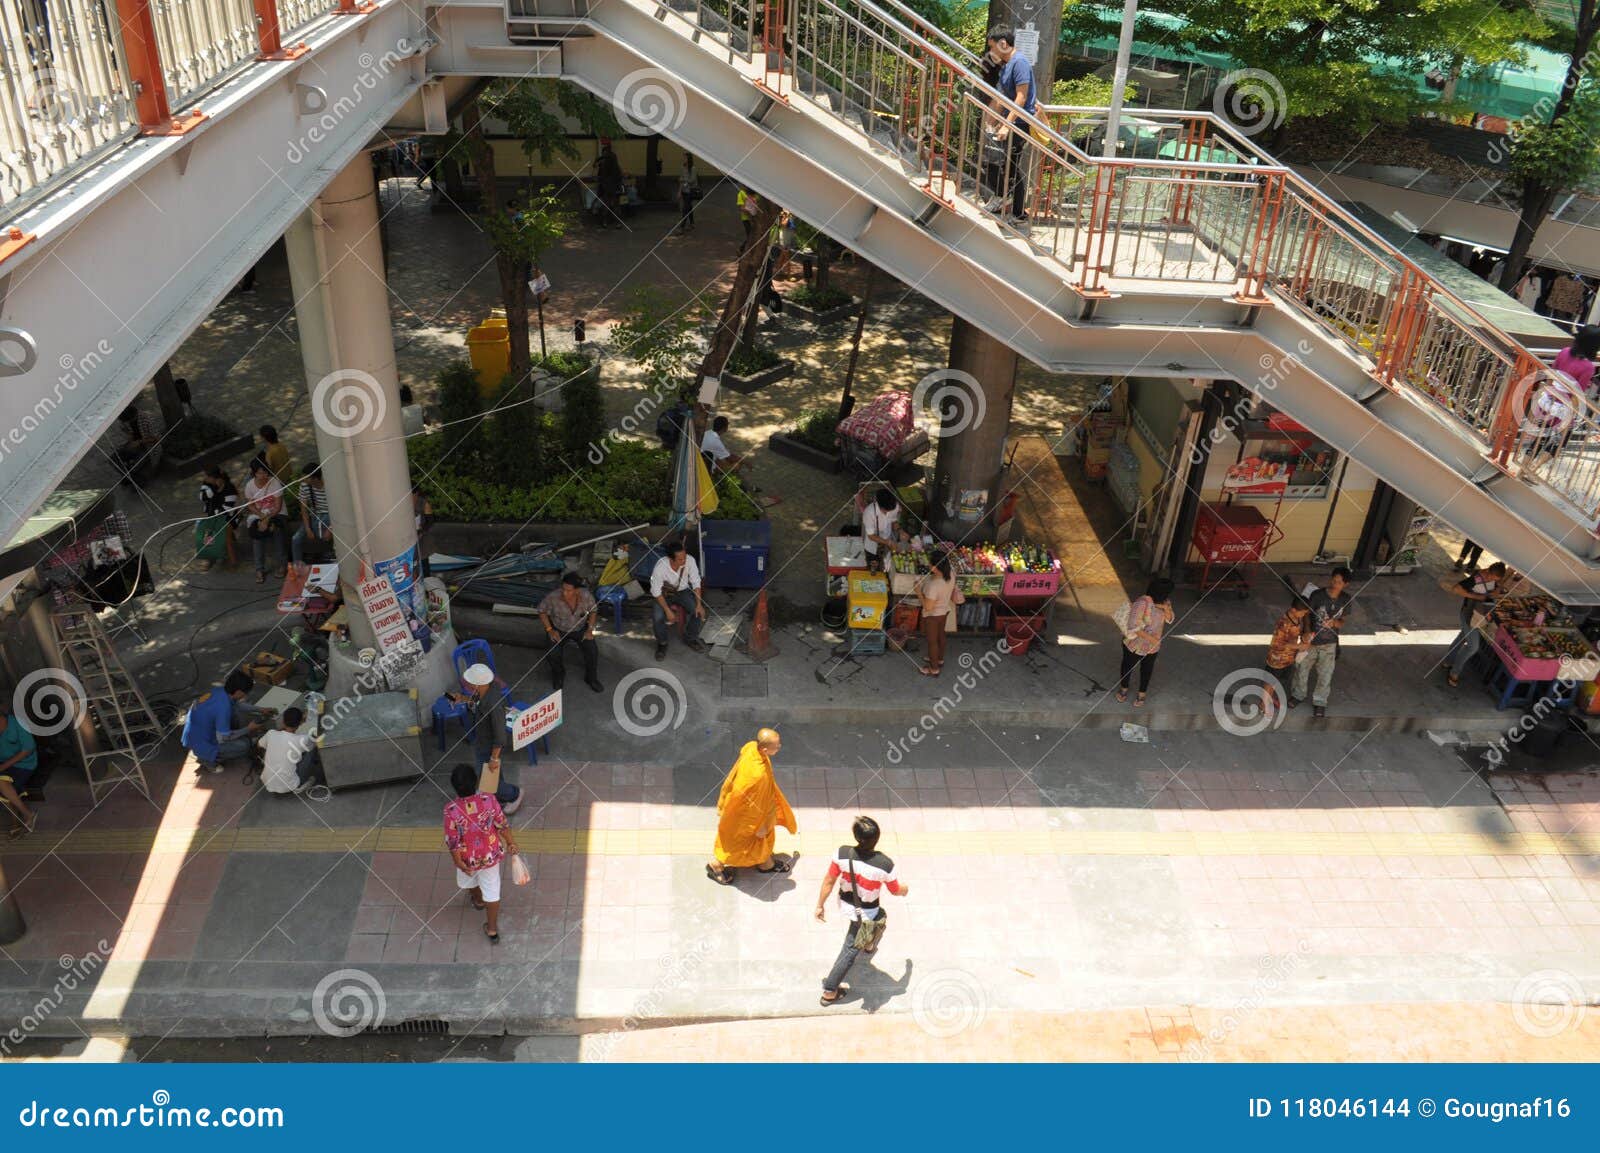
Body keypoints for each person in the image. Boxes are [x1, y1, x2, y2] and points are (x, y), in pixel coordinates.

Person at [815, 815, 908, 1006]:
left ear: (857, 838)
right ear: (877, 838)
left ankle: (867, 944)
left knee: (874, 923)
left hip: (846, 903)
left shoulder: (842, 853)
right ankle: (830, 991)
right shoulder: (885, 865)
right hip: (867, 912)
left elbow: (829, 881)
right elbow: (895, 890)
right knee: (850, 949)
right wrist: (905, 889)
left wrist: (820, 905)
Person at [706, 728, 795, 884]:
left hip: (747, 812)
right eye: (776, 745)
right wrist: (763, 823)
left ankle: (765, 863)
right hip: (749, 818)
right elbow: (754, 802)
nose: (779, 746)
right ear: (765, 749)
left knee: (754, 841)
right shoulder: (757, 775)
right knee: (739, 844)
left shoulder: (752, 748)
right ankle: (716, 866)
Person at [443, 763, 519, 944]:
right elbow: (502, 824)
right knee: (492, 890)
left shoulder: (450, 810)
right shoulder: (488, 800)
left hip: (466, 857)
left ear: (454, 786)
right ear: (476, 782)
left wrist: (457, 861)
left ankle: (477, 900)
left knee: (469, 880)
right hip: (490, 855)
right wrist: (511, 842)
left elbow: (452, 841)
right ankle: (492, 929)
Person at [445, 664, 523, 815]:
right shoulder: (485, 689)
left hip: (489, 748)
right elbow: (475, 702)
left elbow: (500, 736)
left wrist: (494, 758)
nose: (467, 684)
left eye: (470, 683)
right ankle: (500, 797)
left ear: (477, 684)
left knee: (487, 783)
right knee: (492, 778)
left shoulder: (493, 705)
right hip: (482, 742)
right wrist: (461, 698)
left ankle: (514, 794)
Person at [985, 25, 1036, 225]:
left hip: (1020, 123)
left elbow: (1021, 97)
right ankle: (1009, 205)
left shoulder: (1020, 62)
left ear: (1003, 44)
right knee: (999, 161)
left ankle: (1016, 211)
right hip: (1010, 120)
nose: (991, 53)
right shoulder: (1006, 65)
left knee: (1010, 164)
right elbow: (1000, 97)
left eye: (992, 47)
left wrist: (1007, 124)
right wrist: (990, 119)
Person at [181, 670, 272, 775]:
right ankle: (208, 761)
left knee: (235, 714)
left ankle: (215, 747)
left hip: (197, 732)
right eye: (246, 693)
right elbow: (224, 738)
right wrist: (249, 728)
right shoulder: (224, 708)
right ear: (239, 692)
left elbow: (237, 705)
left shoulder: (221, 691)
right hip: (202, 743)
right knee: (244, 746)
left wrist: (260, 709)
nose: (246, 695)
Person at [1291, 567, 1353, 718]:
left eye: (1339, 582)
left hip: (1329, 643)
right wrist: (1305, 632)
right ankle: (1297, 695)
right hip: (1311, 641)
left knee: (1325, 675)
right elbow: (1306, 615)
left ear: (1346, 584)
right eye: (1333, 580)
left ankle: (1320, 702)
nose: (1334, 584)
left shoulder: (1346, 599)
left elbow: (1343, 621)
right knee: (1302, 669)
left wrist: (1334, 623)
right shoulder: (1317, 595)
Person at [1442, 561, 1506, 687]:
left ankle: (1448, 660)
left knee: (1463, 636)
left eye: (1495, 579)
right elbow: (1456, 589)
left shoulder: (1493, 579)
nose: (1491, 580)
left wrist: (1496, 590)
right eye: (1491, 577)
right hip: (1469, 615)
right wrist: (1476, 596)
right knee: (1472, 647)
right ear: (1489, 571)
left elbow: (1497, 586)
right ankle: (1454, 672)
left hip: (1479, 615)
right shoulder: (1476, 578)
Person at [537, 572, 603, 693]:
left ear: (577, 590)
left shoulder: (586, 595)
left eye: (569, 590)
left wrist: (589, 629)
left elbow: (593, 611)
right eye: (563, 589)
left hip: (580, 629)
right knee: (552, 654)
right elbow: (542, 611)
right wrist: (550, 630)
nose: (564, 593)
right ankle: (559, 675)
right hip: (559, 629)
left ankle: (591, 678)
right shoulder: (553, 596)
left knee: (592, 651)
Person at [1115, 577, 1175, 706]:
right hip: (1133, 643)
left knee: (1147, 669)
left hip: (1152, 647)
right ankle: (1124, 688)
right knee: (1127, 666)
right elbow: (1133, 626)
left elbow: (1170, 619)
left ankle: (1142, 693)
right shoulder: (1142, 602)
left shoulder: (1165, 601)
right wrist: (1153, 639)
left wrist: (1166, 608)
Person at [649, 538, 708, 661]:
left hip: (683, 591)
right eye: (680, 559)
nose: (684, 560)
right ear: (671, 559)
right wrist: (667, 610)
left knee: (697, 612)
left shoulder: (690, 560)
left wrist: (699, 604)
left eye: (684, 557)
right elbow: (656, 592)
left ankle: (690, 638)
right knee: (657, 616)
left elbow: (696, 582)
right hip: (663, 594)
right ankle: (662, 643)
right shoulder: (661, 567)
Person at [243, 459, 290, 583]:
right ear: (254, 473)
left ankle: (282, 565)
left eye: (265, 472)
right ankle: (259, 569)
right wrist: (261, 517)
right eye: (260, 473)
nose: (263, 475)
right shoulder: (249, 485)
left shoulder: (275, 483)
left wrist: (266, 519)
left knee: (276, 529)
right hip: (260, 514)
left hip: (277, 513)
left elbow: (278, 507)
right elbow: (250, 505)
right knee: (256, 534)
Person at [255, 707, 321, 795]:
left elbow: (259, 745)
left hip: (267, 782)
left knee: (288, 753)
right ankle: (300, 785)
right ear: (301, 723)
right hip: (290, 786)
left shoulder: (271, 733)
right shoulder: (303, 739)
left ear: (283, 721)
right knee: (311, 750)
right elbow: (313, 744)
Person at [917, 551, 963, 677]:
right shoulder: (951, 574)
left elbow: (927, 607)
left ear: (934, 566)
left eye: (930, 563)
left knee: (932, 642)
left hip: (933, 616)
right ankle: (939, 659)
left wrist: (918, 592)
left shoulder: (933, 585)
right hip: (944, 611)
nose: (928, 565)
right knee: (941, 635)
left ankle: (934, 668)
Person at [1264, 598, 1313, 714]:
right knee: (1270, 682)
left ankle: (1269, 698)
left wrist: (1305, 636)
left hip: (1287, 658)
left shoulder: (1296, 618)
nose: (1303, 615)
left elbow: (1296, 633)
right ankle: (1263, 704)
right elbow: (1278, 643)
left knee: (1276, 681)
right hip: (1277, 658)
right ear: (1293, 609)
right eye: (1302, 612)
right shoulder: (1284, 623)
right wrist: (1298, 647)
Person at [0, 710, 40, 835]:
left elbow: (28, 749)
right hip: (3, 764)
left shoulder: (17, 722)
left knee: (3, 783)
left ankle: (20, 819)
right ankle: (24, 817)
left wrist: (2, 767)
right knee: (5, 785)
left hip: (24, 764)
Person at [197, 463, 239, 571]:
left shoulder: (230, 489)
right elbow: (203, 497)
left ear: (216, 478)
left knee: (220, 530)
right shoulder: (209, 486)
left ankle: (232, 560)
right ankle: (209, 557)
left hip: (229, 517)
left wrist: (214, 517)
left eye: (208, 477)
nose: (206, 479)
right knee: (203, 528)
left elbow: (227, 510)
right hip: (214, 516)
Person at [291, 463, 331, 568]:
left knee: (322, 533)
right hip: (315, 514)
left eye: (306, 477)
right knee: (296, 539)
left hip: (330, 514)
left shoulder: (329, 485)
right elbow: (303, 509)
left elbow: (338, 510)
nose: (302, 479)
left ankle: (328, 556)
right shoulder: (305, 486)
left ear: (315, 479)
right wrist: (308, 528)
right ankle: (297, 567)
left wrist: (330, 529)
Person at [111, 403, 162, 485]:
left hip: (148, 448)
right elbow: (129, 433)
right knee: (114, 459)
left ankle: (134, 478)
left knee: (134, 466)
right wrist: (129, 441)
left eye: (128, 421)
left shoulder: (147, 419)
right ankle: (131, 477)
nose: (126, 423)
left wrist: (139, 442)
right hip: (134, 445)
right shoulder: (127, 421)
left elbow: (157, 438)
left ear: (133, 417)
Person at [861, 488, 911, 570]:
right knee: (873, 568)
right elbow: (871, 536)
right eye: (885, 511)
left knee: (887, 565)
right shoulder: (869, 513)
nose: (888, 513)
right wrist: (888, 542)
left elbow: (893, 520)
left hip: (887, 540)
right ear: (879, 505)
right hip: (872, 546)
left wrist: (900, 531)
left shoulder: (894, 506)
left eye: (890, 510)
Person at [1555, 324, 1600, 397]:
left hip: (1548, 397)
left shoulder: (1564, 350)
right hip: (1564, 404)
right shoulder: (1588, 367)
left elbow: (1551, 373)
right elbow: (1578, 394)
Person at [595, 142, 624, 229]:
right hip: (614, 187)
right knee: (615, 205)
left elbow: (600, 176)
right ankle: (617, 223)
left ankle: (605, 222)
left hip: (607, 187)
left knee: (607, 205)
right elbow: (619, 177)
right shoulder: (614, 162)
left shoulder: (604, 164)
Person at [413, 484, 434, 577]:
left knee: (423, 559)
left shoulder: (424, 503)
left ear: (416, 494)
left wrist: (422, 531)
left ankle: (427, 579)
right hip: (407, 536)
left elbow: (430, 521)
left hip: (421, 535)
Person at [678, 154, 701, 233]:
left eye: (685, 158)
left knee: (685, 209)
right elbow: (680, 181)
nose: (684, 159)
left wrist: (683, 180)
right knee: (689, 207)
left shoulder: (693, 168)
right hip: (684, 191)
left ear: (689, 159)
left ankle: (682, 227)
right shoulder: (682, 168)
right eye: (683, 157)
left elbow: (693, 180)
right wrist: (679, 191)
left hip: (690, 191)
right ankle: (692, 223)